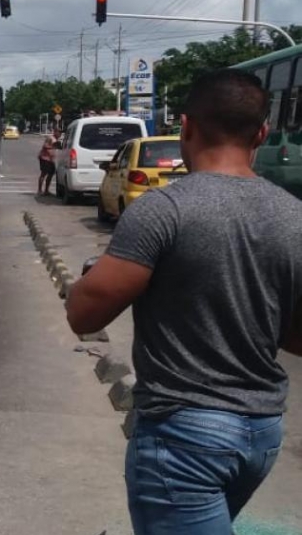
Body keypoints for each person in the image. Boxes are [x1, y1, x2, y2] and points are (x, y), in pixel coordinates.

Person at [67, 69, 302, 534]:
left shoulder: (164, 209)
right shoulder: (294, 215)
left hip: (185, 436)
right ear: (261, 132)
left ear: (186, 127)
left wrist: (94, 279)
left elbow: (84, 314)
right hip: (261, 432)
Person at [38, 130, 59, 195]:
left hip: (50, 159)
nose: (59, 134)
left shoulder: (55, 139)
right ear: (55, 132)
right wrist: (53, 146)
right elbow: (45, 146)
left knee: (51, 173)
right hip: (45, 158)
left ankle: (46, 190)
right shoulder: (50, 138)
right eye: (58, 132)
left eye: (60, 133)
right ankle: (39, 190)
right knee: (43, 174)